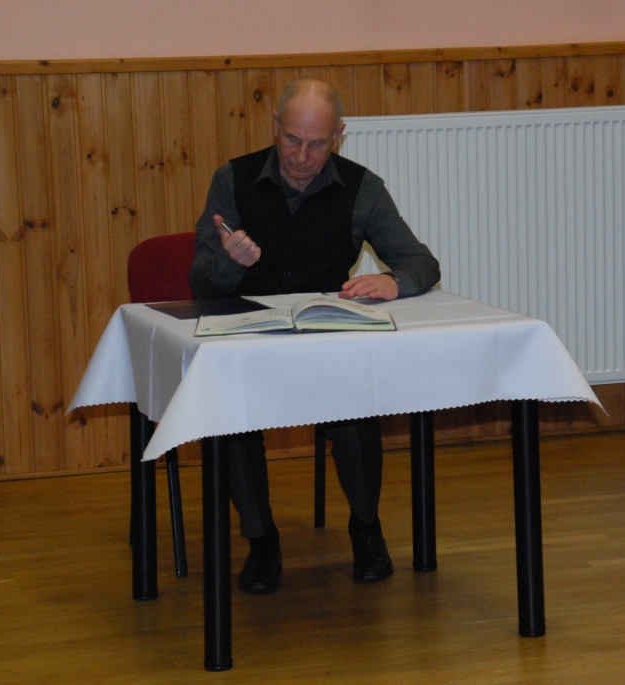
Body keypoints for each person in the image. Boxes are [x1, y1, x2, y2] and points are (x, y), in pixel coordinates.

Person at [189, 79, 441, 593]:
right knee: (229, 415)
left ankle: (366, 530)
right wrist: (230, 264)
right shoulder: (233, 180)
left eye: (317, 144)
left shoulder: (361, 186)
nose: (302, 156)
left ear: (339, 136)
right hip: (250, 341)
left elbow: (421, 261)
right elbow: (202, 284)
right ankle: (261, 540)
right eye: (292, 140)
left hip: (325, 342)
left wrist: (394, 281)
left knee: (357, 410)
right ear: (275, 126)